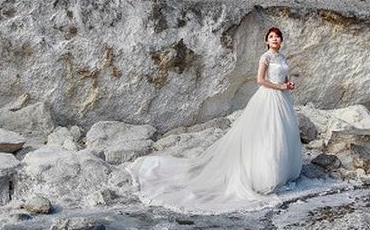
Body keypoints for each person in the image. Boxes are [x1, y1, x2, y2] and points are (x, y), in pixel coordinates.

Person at [126, 27, 304, 214]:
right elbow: (260, 80)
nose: (275, 39)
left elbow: (284, 77)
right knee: (267, 133)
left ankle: (281, 171)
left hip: (283, 98)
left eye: (277, 37)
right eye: (271, 37)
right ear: (266, 41)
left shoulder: (283, 58)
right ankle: (266, 174)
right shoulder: (265, 57)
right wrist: (280, 86)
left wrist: (287, 85)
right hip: (268, 97)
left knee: (282, 133)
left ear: (281, 41)